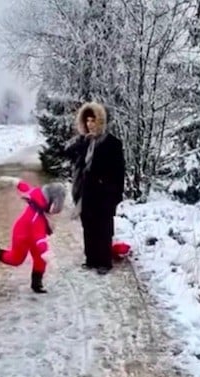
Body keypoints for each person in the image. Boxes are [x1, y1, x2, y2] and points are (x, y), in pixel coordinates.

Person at [64, 101, 125, 275]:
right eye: (87, 121)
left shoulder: (112, 143)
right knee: (88, 226)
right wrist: (79, 140)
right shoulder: (84, 142)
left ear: (100, 121)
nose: (90, 124)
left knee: (104, 227)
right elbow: (68, 154)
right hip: (86, 192)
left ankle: (104, 261)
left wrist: (115, 195)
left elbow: (119, 171)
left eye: (93, 120)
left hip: (104, 193)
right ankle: (91, 259)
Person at [0, 180, 66, 293]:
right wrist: (47, 254)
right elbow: (40, 239)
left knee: (40, 260)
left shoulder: (40, 199)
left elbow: (25, 188)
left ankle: (36, 284)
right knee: (16, 259)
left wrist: (16, 182)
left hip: (33, 235)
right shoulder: (37, 218)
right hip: (22, 235)